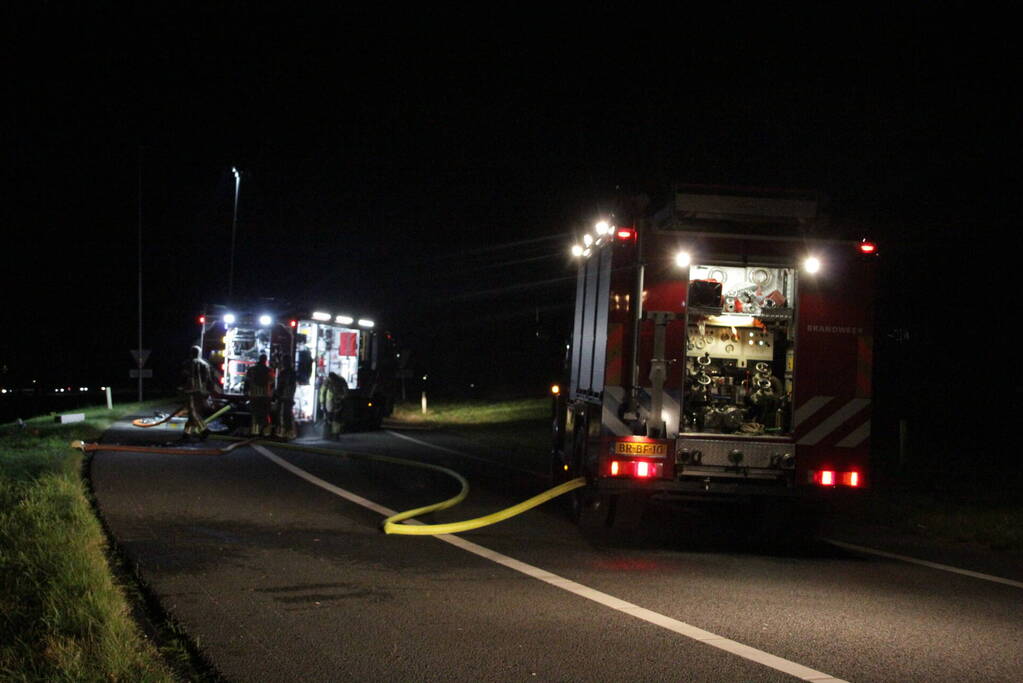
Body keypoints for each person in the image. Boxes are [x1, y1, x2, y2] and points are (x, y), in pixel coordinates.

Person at [181, 345, 214, 438]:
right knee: (195, 412)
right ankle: (187, 433)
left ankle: (204, 429)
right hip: (201, 391)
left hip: (190, 391)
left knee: (193, 412)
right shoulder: (205, 364)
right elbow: (209, 380)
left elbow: (183, 377)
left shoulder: (187, 363)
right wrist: (209, 391)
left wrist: (181, 388)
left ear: (191, 353)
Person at [244, 354, 273, 437]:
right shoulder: (269, 370)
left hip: (254, 396)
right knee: (265, 414)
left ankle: (255, 432)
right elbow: (272, 383)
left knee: (255, 414)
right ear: (265, 360)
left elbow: (247, 382)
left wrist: (245, 392)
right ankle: (266, 433)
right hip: (265, 396)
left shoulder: (251, 370)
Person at [318, 371, 349, 439]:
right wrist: (322, 402)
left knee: (335, 417)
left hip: (336, 399)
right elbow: (322, 391)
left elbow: (345, 389)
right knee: (332, 417)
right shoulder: (329, 380)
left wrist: (322, 402)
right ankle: (332, 433)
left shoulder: (339, 380)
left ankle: (334, 434)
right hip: (332, 400)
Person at [273, 363, 297, 440]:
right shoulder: (293, 373)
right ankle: (290, 433)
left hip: (283, 397)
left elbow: (281, 385)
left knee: (282, 415)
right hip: (289, 397)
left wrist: (277, 394)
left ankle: (282, 433)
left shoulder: (284, 373)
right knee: (289, 415)